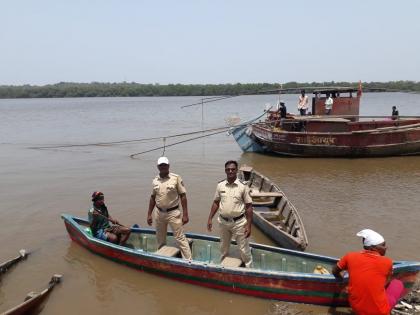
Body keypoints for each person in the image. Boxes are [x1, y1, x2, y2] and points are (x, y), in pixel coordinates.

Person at [332, 229, 404, 315]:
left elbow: (334, 270)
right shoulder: (387, 262)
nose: (386, 247)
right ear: (373, 247)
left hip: (356, 308)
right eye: (383, 245)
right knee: (397, 283)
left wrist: (342, 282)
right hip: (380, 312)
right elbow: (385, 283)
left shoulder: (350, 256)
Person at [207, 160, 253, 268]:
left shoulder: (243, 186)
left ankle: (250, 270)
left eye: (233, 169)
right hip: (223, 222)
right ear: (225, 171)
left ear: (236, 170)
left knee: (244, 249)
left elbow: (249, 207)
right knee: (223, 248)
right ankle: (223, 269)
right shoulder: (220, 185)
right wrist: (209, 219)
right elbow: (216, 202)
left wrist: (249, 225)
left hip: (239, 223)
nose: (230, 171)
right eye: (228, 169)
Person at [147, 157, 192, 260]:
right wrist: (149, 214)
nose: (163, 167)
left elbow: (183, 196)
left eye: (165, 165)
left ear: (168, 166)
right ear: (158, 167)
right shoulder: (155, 180)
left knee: (180, 238)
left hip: (173, 213)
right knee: (160, 238)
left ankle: (188, 261)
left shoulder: (176, 178)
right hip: (158, 212)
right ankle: (162, 258)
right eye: (161, 165)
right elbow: (153, 197)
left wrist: (185, 214)